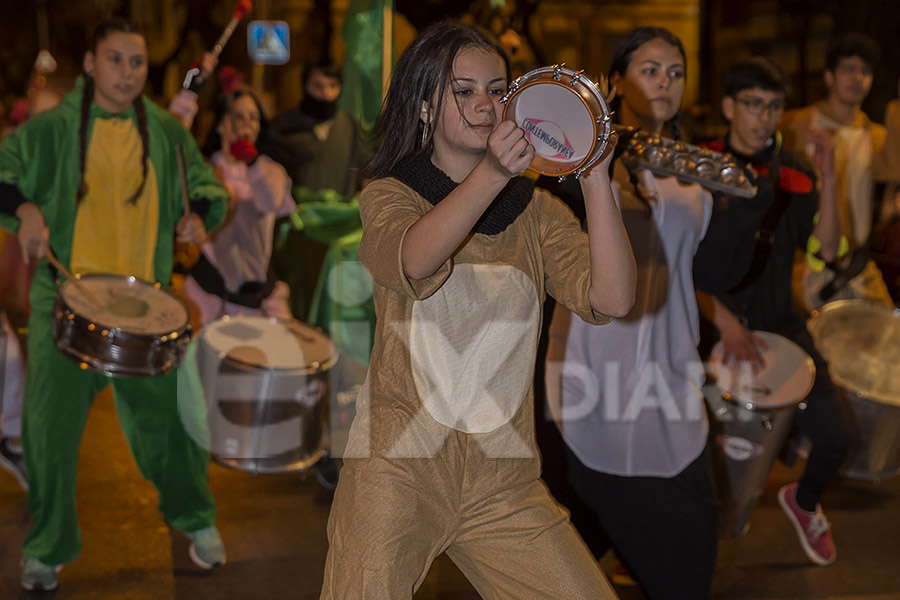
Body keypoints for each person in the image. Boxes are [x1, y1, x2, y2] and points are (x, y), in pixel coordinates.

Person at [320, 22, 635, 599]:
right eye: (462, 91)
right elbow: (415, 259)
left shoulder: (535, 212)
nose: (486, 104)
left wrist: (594, 178)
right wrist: (494, 172)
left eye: (497, 89)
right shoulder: (390, 193)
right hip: (397, 471)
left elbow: (611, 298)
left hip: (502, 479)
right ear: (421, 107)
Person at [0, 18, 229, 591]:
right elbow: (3, 173)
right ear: (90, 65)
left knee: (178, 426)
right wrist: (24, 210)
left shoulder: (167, 132)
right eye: (115, 60)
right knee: (47, 434)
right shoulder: (48, 130)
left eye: (137, 63)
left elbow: (207, 188)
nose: (127, 73)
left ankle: (196, 518)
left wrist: (197, 216)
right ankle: (47, 547)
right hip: (65, 303)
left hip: (146, 309)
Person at [545, 27, 758, 599]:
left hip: (670, 373)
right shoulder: (580, 160)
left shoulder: (697, 172)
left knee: (682, 549)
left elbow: (707, 274)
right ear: (615, 81)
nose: (665, 82)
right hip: (594, 375)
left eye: (676, 72)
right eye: (649, 69)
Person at [694, 57, 849, 567]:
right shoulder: (698, 164)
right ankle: (672, 535)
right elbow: (672, 265)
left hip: (780, 320)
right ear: (729, 107)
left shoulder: (797, 174)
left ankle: (803, 502)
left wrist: (828, 175)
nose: (764, 116)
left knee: (835, 436)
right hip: (707, 320)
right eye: (753, 104)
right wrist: (723, 320)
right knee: (686, 443)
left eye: (773, 106)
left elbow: (825, 250)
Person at [780, 33, 892, 309]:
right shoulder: (796, 124)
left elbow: (895, 168)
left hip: (857, 265)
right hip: (801, 264)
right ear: (829, 77)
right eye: (848, 69)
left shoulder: (876, 136)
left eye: (865, 71)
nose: (857, 78)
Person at [269, 58, 374, 321]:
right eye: (317, 86)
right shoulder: (284, 127)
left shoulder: (350, 127)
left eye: (332, 86)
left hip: (341, 236)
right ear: (304, 85)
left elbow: (369, 169)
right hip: (299, 232)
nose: (325, 94)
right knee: (300, 300)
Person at [182, 88, 295, 327]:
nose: (245, 124)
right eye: (237, 115)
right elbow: (175, 140)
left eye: (253, 118)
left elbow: (270, 202)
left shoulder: (270, 171)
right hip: (207, 295)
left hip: (257, 298)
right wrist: (188, 93)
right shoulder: (203, 170)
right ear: (220, 124)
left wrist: (251, 161)